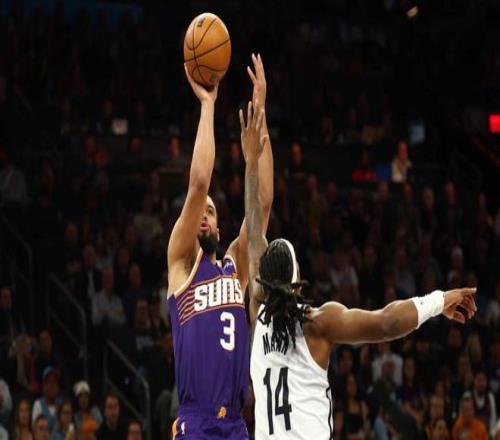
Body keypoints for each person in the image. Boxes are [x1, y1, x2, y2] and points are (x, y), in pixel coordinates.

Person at [241, 103, 477, 439]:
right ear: (297, 284)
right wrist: (439, 300)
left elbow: (253, 232)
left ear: (263, 283)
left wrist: (251, 163)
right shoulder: (317, 323)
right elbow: (387, 323)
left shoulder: (256, 312)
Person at [166, 54, 273, 439]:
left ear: (219, 225)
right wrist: (208, 105)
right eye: (199, 210)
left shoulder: (234, 266)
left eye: (210, 211)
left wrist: (260, 118)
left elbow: (263, 201)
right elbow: (199, 184)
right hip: (196, 419)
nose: (204, 214)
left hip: (235, 424)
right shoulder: (181, 263)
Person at [32, 368, 61, 432]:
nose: (53, 385)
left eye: (55, 382)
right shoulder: (38, 405)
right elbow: (37, 431)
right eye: (50, 382)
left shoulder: (62, 404)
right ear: (44, 386)